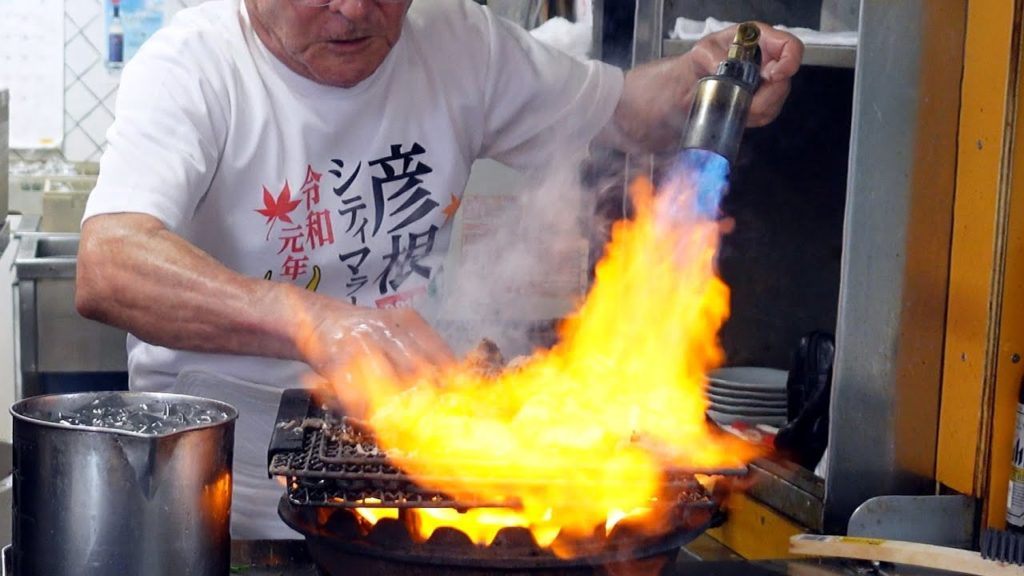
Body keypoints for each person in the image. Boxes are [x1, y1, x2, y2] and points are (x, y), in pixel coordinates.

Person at [76, 0, 803, 539]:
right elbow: (110, 264)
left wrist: (701, 77)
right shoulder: (193, 68)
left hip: (405, 485)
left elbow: (626, 113)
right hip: (218, 505)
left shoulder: (460, 43)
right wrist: (316, 321)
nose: (355, 11)